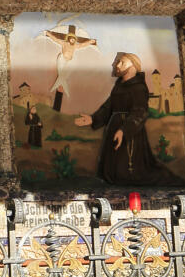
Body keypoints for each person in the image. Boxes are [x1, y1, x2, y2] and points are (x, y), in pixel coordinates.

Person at [74, 52, 177, 187]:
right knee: (112, 166)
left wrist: (124, 130)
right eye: (118, 62)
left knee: (127, 165)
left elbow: (140, 112)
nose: (118, 65)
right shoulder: (119, 86)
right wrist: (93, 119)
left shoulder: (138, 87)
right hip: (114, 125)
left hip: (130, 129)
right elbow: (109, 106)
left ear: (133, 66)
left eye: (122, 62)